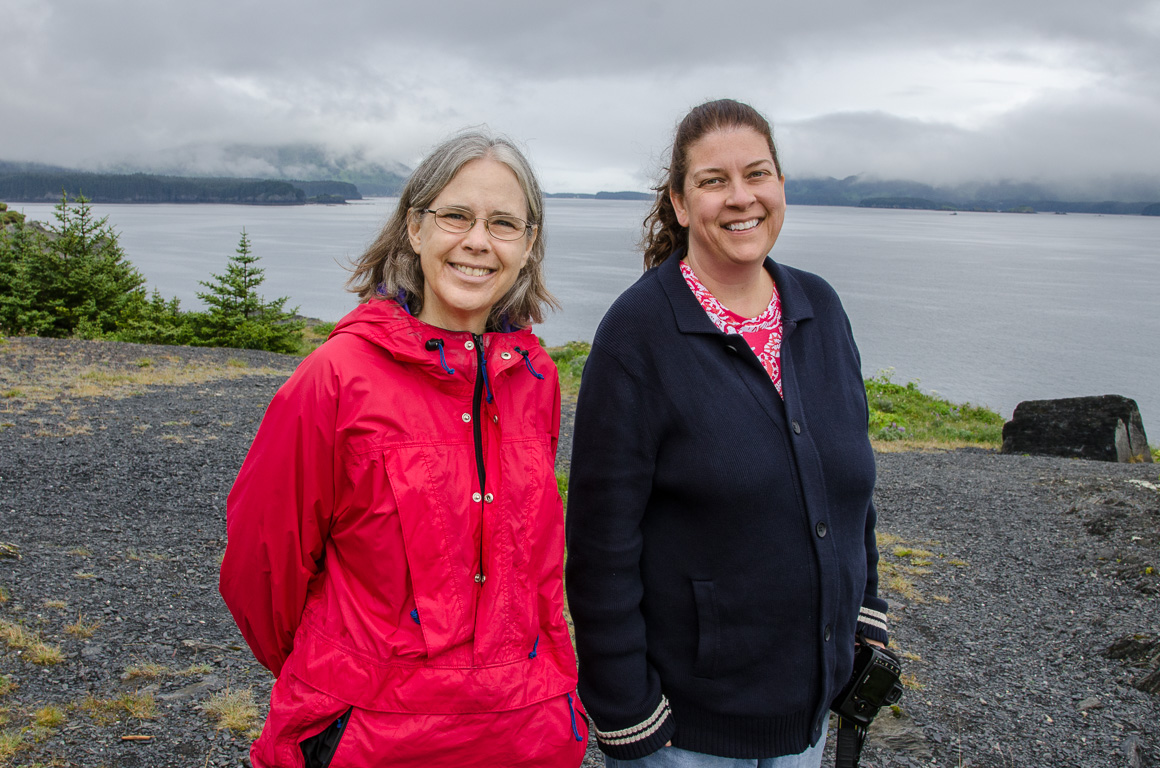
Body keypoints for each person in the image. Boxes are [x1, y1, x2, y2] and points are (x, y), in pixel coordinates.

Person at [220, 130, 588, 768]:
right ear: (414, 229)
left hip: (526, 735)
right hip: (368, 739)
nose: (478, 241)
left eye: (504, 223)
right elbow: (262, 567)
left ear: (528, 246)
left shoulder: (535, 379)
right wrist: (340, 674)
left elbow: (532, 573)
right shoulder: (337, 376)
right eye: (455, 215)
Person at [564, 99, 889, 767]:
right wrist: (628, 712)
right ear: (681, 204)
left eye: (757, 174)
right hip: (691, 734)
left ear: (780, 186)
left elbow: (849, 487)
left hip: (807, 719)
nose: (741, 198)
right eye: (714, 181)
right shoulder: (638, 336)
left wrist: (866, 616)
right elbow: (600, 545)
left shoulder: (819, 308)